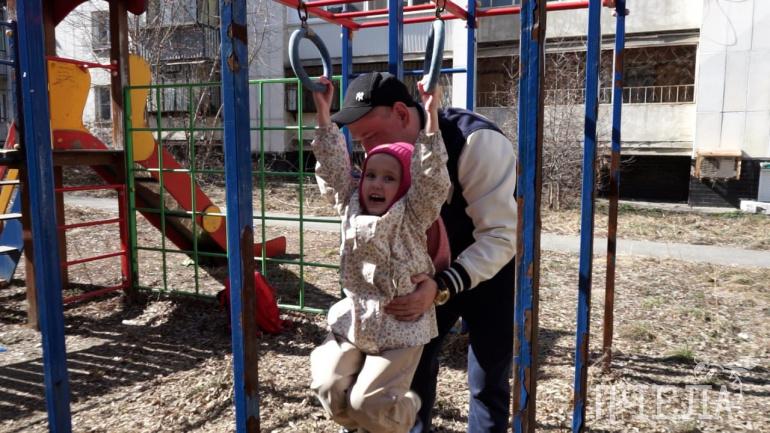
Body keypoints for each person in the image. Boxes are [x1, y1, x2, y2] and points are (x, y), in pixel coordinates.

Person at [324, 71, 517, 433]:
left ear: (401, 113)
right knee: (412, 372)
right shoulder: (388, 162)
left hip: (487, 266)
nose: (368, 151)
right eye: (360, 142)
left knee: (488, 376)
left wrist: (442, 284)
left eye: (371, 136)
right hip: (422, 273)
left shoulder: (476, 142)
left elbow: (499, 235)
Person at [308, 77, 451, 433]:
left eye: (389, 178)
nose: (376, 183)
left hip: (401, 329)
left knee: (367, 404)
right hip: (357, 321)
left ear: (404, 187)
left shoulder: (413, 214)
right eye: (371, 174)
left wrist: (431, 116)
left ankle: (403, 418)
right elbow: (334, 168)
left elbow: (431, 178)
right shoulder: (350, 204)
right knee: (328, 387)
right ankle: (362, 425)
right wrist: (324, 115)